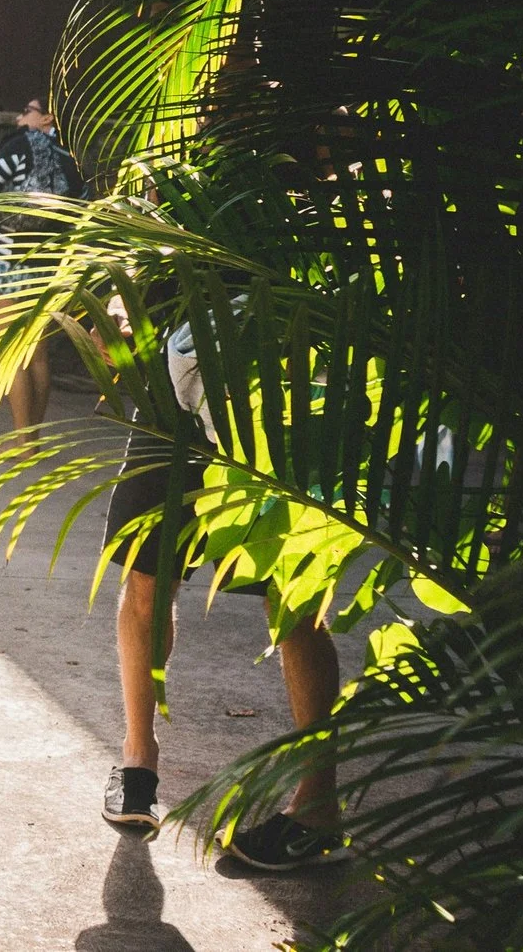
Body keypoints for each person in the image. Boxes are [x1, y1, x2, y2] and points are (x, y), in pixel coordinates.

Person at [100, 324, 347, 871]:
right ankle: (138, 762)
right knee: (147, 575)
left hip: (283, 384)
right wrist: (123, 332)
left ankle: (318, 809)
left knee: (294, 597)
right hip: (171, 389)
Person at [0, 98, 85, 430]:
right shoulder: (70, 161)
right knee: (38, 358)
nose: (19, 116)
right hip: (49, 265)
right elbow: (82, 210)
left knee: (9, 355)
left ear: (47, 117)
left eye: (26, 111)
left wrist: (3, 213)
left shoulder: (20, 147)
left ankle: (21, 443)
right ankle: (32, 440)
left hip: (9, 260)